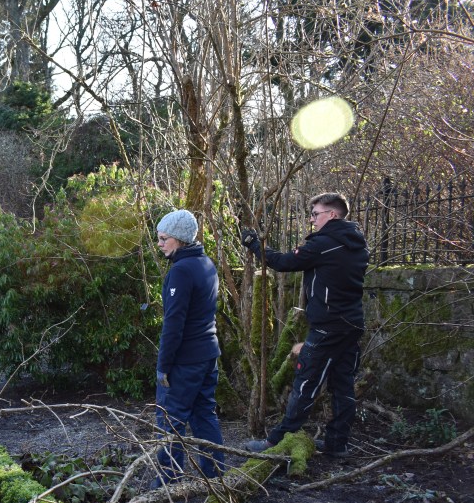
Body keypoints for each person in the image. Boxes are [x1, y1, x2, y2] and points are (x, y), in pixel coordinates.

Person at [240, 192, 369, 457]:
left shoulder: (325, 244)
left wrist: (254, 244)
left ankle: (277, 442)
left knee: (305, 382)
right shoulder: (357, 244)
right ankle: (337, 444)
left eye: (315, 214)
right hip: (351, 324)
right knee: (343, 384)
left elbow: (282, 262)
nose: (312, 220)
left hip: (327, 327)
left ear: (332, 214)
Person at [152, 209, 225, 487]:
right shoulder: (205, 263)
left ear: (180, 238)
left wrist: (163, 366)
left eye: (164, 238)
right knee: (204, 415)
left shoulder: (181, 271)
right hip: (208, 354)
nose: (159, 244)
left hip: (185, 361)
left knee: (170, 421)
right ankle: (216, 478)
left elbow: (174, 324)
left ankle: (168, 484)